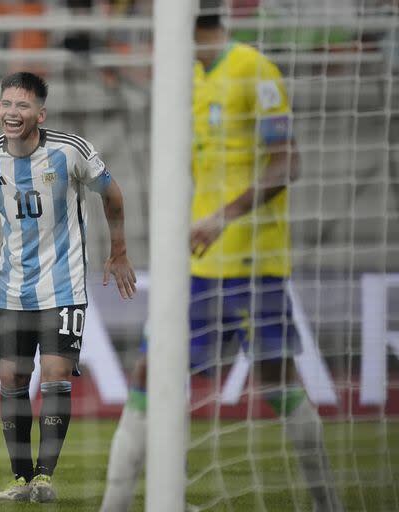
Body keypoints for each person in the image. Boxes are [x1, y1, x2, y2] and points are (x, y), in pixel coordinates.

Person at [100, 5, 343, 512]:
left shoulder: (254, 69)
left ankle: (327, 503)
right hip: (193, 266)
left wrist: (222, 216)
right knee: (149, 373)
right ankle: (116, 504)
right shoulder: (184, 76)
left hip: (252, 264)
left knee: (278, 385)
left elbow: (288, 160)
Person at [0, 71, 136, 504]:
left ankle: (45, 477)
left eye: (22, 106)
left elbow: (114, 195)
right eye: (6, 104)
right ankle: (19, 478)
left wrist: (119, 251)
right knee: (11, 377)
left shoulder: (71, 151)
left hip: (63, 287)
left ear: (40, 113)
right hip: (10, 289)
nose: (12, 113)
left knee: (53, 376)